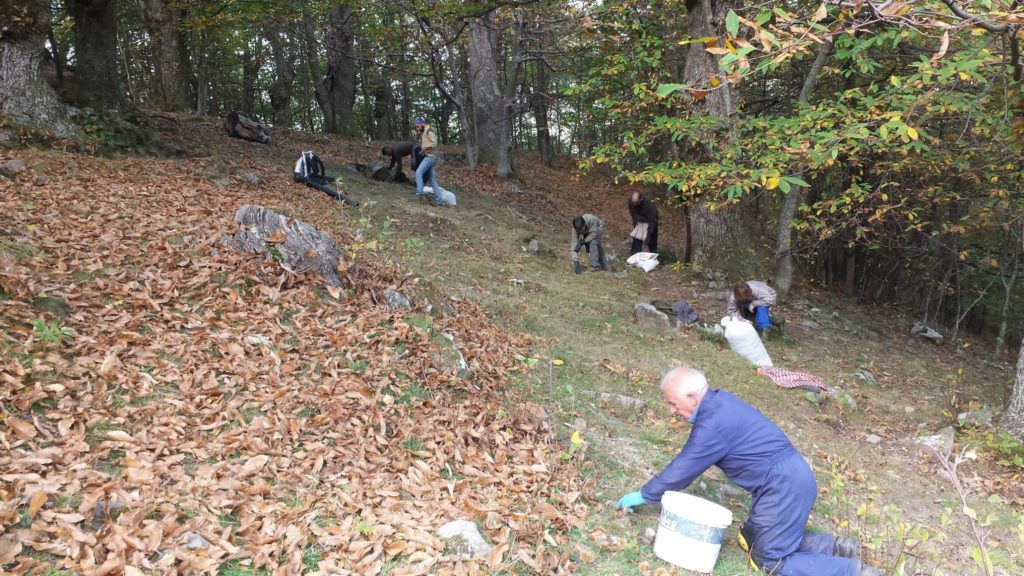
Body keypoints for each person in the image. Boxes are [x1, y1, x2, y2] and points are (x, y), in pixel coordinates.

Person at [617, 367, 880, 576]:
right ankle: (840, 548)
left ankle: (854, 571)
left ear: (692, 398)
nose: (671, 411)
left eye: (672, 404)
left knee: (770, 560)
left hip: (783, 487)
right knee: (753, 536)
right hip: (788, 480)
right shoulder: (720, 403)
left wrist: (645, 494)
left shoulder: (713, 424)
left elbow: (683, 468)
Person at [413, 117, 443, 202]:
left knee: (418, 173)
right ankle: (439, 201)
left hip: (431, 157)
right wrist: (424, 151)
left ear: (422, 123)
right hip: (430, 156)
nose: (417, 128)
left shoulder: (429, 130)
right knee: (432, 180)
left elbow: (434, 143)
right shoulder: (425, 131)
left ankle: (419, 194)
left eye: (418, 126)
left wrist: (424, 149)